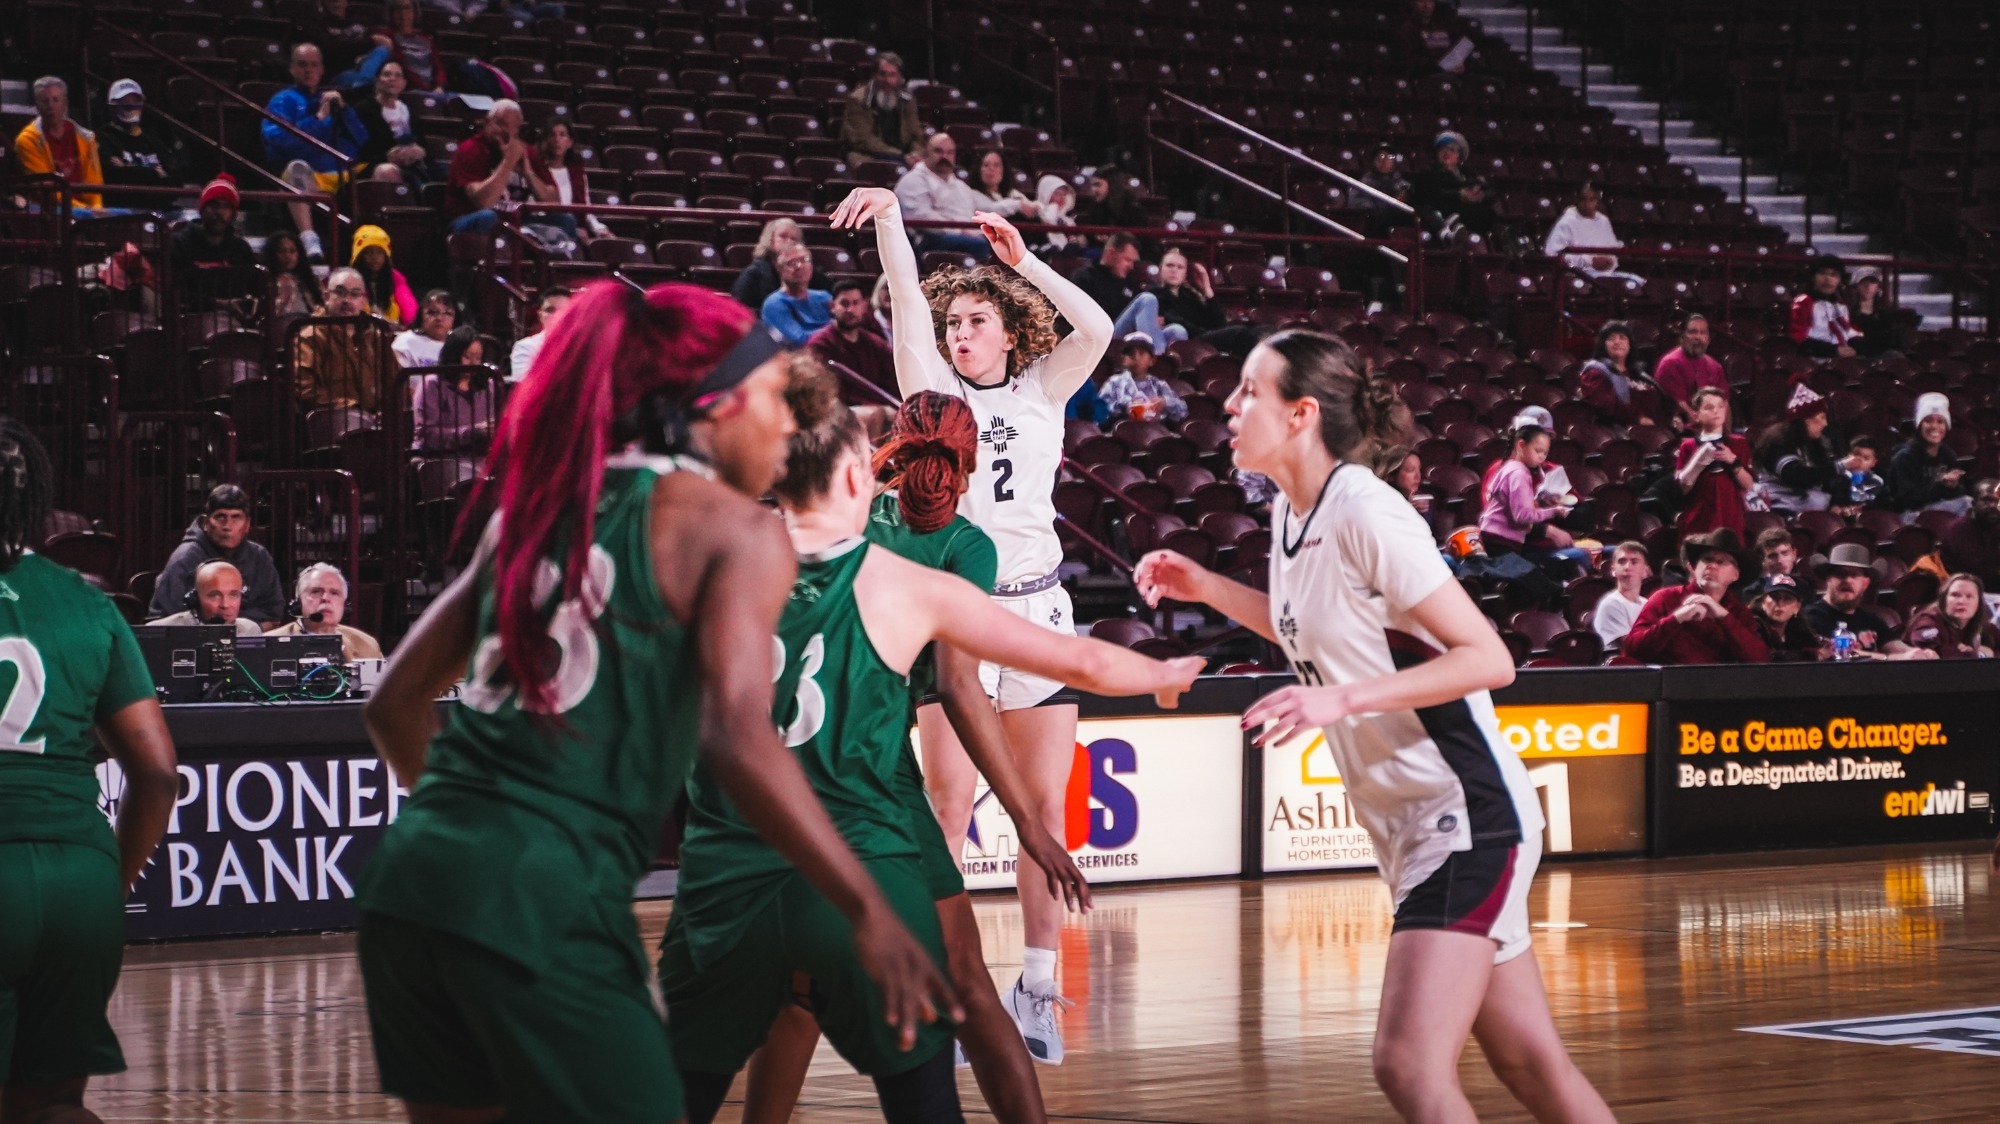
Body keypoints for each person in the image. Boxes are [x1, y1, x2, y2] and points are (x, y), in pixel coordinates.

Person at [354, 282, 957, 1123]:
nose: (789, 427)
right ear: (719, 404)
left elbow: (392, 705)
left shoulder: (541, 506)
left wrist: (472, 841)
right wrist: (865, 905)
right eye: (776, 399)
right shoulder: (733, 528)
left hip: (412, 880)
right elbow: (737, 733)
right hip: (543, 888)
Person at [1129, 329, 1613, 1123]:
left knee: (1409, 1065)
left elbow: (1489, 658)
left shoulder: (1367, 510)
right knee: (1531, 1063)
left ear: (1301, 414)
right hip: (1414, 824)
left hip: (1466, 815)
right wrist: (1208, 587)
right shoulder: (1293, 513)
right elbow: (1318, 632)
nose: (1230, 404)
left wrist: (1341, 700)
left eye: (1250, 389)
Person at [676, 389, 1195, 1124]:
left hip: (755, 812)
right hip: (872, 784)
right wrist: (1031, 821)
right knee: (964, 991)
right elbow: (982, 681)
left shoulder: (761, 541)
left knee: (784, 1007)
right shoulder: (942, 555)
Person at [835, 186, 1115, 1065]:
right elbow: (903, 297)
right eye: (953, 322)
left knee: (1043, 810)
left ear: (1009, 332)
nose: (959, 332)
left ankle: (1036, 986)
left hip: (1040, 605)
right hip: (959, 609)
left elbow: (1098, 328)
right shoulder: (932, 389)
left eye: (976, 321)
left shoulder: (1045, 386)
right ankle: (950, 987)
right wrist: (891, 218)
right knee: (948, 807)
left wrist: (1026, 263)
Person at [0, 419, 179, 1124]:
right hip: (79, 881)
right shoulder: (85, 599)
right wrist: (113, 879)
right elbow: (158, 772)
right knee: (54, 1106)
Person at [263, 44, 364, 261]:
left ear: (321, 69)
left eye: (313, 65)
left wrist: (344, 110)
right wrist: (318, 119)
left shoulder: (331, 99)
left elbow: (360, 139)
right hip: (308, 176)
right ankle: (310, 240)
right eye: (302, 65)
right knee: (296, 168)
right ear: (292, 69)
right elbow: (280, 140)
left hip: (341, 174)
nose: (308, 70)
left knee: (385, 171)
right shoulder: (283, 100)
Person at [1622, 529, 1770, 665]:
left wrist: (1724, 617)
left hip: (1720, 683)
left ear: (1736, 575)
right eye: (1707, 559)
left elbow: (1760, 660)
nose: (1711, 566)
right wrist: (1676, 619)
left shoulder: (1739, 612)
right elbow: (1632, 649)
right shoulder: (1665, 598)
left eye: (1721, 561)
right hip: (1669, 681)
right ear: (1693, 569)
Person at [147, 485, 286, 625]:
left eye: (236, 517)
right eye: (220, 517)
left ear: (247, 524)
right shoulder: (184, 559)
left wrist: (243, 630)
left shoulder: (259, 557)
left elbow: (274, 615)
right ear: (206, 523)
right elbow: (164, 622)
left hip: (253, 635)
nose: (228, 526)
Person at [1478, 423, 1587, 577]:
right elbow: (1511, 518)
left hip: (1546, 545)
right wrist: (1547, 529)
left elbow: (1579, 511)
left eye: (1545, 450)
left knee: (1580, 560)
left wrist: (1556, 506)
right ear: (1521, 444)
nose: (1542, 456)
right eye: (1537, 448)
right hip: (1516, 546)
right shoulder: (1506, 470)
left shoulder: (1550, 470)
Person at [443, 100, 565, 237]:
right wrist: (508, 162)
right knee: (488, 217)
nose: (506, 131)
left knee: (564, 220)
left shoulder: (526, 152)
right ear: (487, 122)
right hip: (468, 220)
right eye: (501, 124)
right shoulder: (471, 149)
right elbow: (483, 203)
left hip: (515, 220)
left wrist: (528, 173)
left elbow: (554, 204)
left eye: (514, 127)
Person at [1801, 543, 1931, 659]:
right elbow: (1841, 653)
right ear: (1828, 579)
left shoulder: (1871, 620)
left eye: (1854, 575)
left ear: (1866, 583)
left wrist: (1922, 654)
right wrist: (1889, 658)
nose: (1847, 580)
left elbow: (1899, 648)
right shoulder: (1811, 617)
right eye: (1841, 574)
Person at [294, 267, 394, 412]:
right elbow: (306, 389)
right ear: (326, 296)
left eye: (354, 294)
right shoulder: (309, 337)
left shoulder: (376, 337)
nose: (346, 300)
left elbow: (397, 381)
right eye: (340, 293)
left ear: (363, 301)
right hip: (334, 420)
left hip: (378, 420)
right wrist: (354, 410)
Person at [169, 174, 260, 311]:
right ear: (202, 209)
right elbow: (175, 292)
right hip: (192, 318)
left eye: (226, 207)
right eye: (214, 205)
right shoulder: (179, 243)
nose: (219, 212)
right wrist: (219, 304)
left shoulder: (241, 248)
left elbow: (255, 287)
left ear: (233, 214)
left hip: (236, 319)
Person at [13, 77, 104, 210]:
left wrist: (96, 209)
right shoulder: (28, 140)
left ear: (65, 104)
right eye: (45, 101)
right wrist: (83, 209)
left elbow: (95, 184)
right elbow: (45, 190)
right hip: (48, 210)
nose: (50, 106)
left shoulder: (86, 138)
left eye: (56, 100)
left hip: (86, 211)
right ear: (37, 106)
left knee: (127, 214)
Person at [895, 133, 991, 260]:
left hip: (963, 235)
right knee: (979, 244)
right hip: (928, 240)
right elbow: (922, 218)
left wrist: (1015, 204)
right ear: (926, 153)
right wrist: (960, 231)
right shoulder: (913, 180)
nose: (945, 157)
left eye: (950, 153)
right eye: (938, 151)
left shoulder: (959, 185)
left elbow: (985, 206)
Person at [1752, 381, 1841, 514]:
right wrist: (1840, 467)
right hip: (1778, 505)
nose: (1825, 424)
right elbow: (1796, 476)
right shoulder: (1780, 443)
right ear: (1806, 421)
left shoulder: (1814, 443)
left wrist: (1835, 504)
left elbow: (1824, 478)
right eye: (1821, 418)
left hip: (1806, 505)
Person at [1673, 387, 1753, 535]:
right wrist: (1697, 462)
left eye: (1720, 406)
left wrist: (1733, 462)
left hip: (1730, 512)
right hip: (1700, 513)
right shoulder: (1688, 446)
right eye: (1709, 408)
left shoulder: (1738, 443)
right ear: (1696, 415)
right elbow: (1682, 488)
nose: (1716, 411)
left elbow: (1749, 485)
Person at [267, 562, 384, 659]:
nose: (326, 598)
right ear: (298, 603)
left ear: (345, 605)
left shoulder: (367, 645)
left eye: (334, 593)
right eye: (316, 592)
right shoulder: (269, 644)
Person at [412, 326, 500, 453]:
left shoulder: (489, 385)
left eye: (478, 358)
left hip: (478, 456)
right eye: (467, 356)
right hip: (436, 457)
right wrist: (472, 432)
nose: (473, 363)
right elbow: (427, 436)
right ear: (453, 355)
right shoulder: (432, 385)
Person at [809, 279, 898, 401]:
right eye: (844, 303)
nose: (850, 309)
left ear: (864, 306)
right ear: (832, 306)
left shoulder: (877, 345)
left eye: (856, 303)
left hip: (880, 407)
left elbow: (892, 385)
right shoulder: (820, 345)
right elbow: (823, 392)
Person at [1544, 183, 1644, 286]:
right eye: (1583, 199)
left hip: (1606, 274)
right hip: (1579, 275)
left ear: (1597, 201)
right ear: (1577, 200)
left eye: (1591, 199)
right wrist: (1590, 261)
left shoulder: (1603, 221)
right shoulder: (1567, 222)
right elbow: (1552, 254)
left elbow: (1613, 250)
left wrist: (1609, 262)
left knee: (1637, 282)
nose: (1587, 203)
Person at [96, 79, 190, 188]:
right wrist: (155, 173)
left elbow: (175, 178)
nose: (130, 105)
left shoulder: (154, 140)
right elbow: (113, 176)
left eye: (136, 100)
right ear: (111, 105)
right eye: (123, 101)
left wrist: (128, 168)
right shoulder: (102, 138)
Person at [1887, 393, 1969, 515]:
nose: (1934, 426)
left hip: (1939, 509)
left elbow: (1956, 494)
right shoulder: (1905, 457)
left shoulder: (1947, 454)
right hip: (1910, 515)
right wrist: (1940, 485)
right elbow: (1909, 502)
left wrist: (1953, 486)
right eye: (1928, 421)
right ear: (1919, 425)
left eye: (1940, 421)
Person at [350, 60, 429, 186]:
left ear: (404, 83)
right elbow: (362, 152)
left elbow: (423, 145)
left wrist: (420, 151)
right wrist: (387, 157)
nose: (392, 79)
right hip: (375, 166)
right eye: (387, 75)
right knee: (388, 171)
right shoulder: (363, 109)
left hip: (412, 166)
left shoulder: (409, 110)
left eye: (398, 76)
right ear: (377, 80)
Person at [841, 52, 924, 168]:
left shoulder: (907, 101)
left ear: (900, 78)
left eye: (893, 75)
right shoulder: (858, 100)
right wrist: (900, 156)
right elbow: (862, 139)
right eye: (883, 74)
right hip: (867, 155)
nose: (888, 80)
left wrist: (916, 154)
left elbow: (916, 136)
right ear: (874, 75)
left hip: (903, 156)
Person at [143, 560, 267, 636]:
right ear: (195, 599)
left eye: (233, 595)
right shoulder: (159, 632)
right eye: (214, 596)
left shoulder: (249, 631)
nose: (225, 604)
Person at [1409, 131, 1494, 241]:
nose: (1447, 152)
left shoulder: (1470, 175)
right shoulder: (1427, 175)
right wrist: (1458, 194)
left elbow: (1490, 192)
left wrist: (1481, 195)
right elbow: (1429, 195)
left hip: (1470, 216)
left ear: (1459, 156)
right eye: (1442, 149)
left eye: (1452, 150)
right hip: (1445, 213)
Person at [1577, 320, 1662, 428]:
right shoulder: (1594, 372)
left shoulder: (1638, 372)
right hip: (1618, 430)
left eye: (1622, 338)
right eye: (1611, 338)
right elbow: (1606, 404)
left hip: (1653, 427)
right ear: (1603, 345)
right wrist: (1639, 418)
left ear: (1630, 344)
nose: (1617, 342)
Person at [537, 120, 611, 240]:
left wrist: (598, 228)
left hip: (575, 230)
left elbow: (586, 209)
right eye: (552, 135)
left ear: (570, 142)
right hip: (547, 229)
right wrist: (571, 229)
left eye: (562, 135)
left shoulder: (577, 173)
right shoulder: (537, 172)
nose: (557, 140)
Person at [1651, 313, 1728, 425]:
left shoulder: (1715, 366)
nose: (1698, 337)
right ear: (1682, 338)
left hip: (1712, 425)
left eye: (1703, 332)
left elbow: (1724, 402)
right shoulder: (1670, 364)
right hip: (1682, 427)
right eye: (1692, 332)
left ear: (1708, 339)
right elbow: (1679, 406)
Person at [1902, 573, 2000, 659]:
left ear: (1979, 603)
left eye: (1969, 596)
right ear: (1943, 599)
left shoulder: (1982, 625)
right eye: (1955, 595)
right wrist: (1978, 655)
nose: (1962, 601)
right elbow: (1937, 653)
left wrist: (1992, 654)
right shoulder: (1927, 621)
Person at [1099, 333, 1188, 424]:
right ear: (1123, 360)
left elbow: (1183, 411)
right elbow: (1099, 411)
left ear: (1152, 360)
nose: (1136, 358)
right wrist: (1124, 407)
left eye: (1141, 353)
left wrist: (1165, 402)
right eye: (1130, 354)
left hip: (1154, 429)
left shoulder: (1159, 385)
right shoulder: (1114, 383)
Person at [760, 245, 834, 347]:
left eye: (805, 260)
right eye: (791, 263)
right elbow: (800, 341)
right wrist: (839, 328)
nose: (799, 266)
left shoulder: (824, 297)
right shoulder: (774, 303)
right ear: (779, 269)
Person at [1146, 248, 1226, 341]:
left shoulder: (1189, 296)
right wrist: (1209, 334)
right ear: (1160, 270)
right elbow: (1176, 321)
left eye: (1180, 267)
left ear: (1185, 274)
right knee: (1239, 332)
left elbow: (1220, 325)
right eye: (1169, 265)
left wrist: (1207, 289)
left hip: (1202, 340)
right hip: (1188, 340)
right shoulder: (1153, 294)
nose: (1174, 270)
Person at [1789, 256, 1859, 359]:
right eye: (1822, 273)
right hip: (1812, 359)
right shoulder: (1803, 302)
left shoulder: (1841, 305)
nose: (1827, 279)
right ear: (1813, 277)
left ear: (1840, 280)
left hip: (1842, 359)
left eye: (1833, 275)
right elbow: (1798, 338)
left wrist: (1856, 347)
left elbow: (1850, 332)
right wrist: (1832, 350)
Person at [731, 217, 804, 311]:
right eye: (783, 236)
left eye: (794, 239)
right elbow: (738, 310)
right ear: (770, 240)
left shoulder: (808, 274)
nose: (789, 241)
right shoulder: (753, 274)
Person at [1745, 573, 1822, 661]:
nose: (1780, 604)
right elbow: (1764, 656)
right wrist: (1811, 656)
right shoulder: (1752, 625)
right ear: (1763, 602)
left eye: (1787, 598)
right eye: (1775, 597)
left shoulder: (1799, 630)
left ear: (1797, 607)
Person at [350, 224, 416, 325]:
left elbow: (410, 312)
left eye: (379, 253)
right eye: (369, 252)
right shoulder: (350, 279)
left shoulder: (395, 278)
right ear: (359, 256)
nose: (374, 257)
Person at [1593, 541, 1652, 648]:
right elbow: (1629, 646)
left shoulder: (1647, 604)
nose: (1627, 567)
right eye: (1622, 562)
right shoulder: (1611, 603)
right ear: (1613, 570)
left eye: (1634, 562)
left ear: (1645, 571)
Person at [1943, 478, 2000, 586]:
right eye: (1987, 500)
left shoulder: (1996, 526)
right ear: (1974, 503)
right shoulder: (1959, 529)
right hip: (1965, 589)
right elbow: (1977, 573)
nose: (1994, 506)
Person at [373, 0, 440, 92]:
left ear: (414, 12)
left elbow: (438, 67)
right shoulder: (387, 36)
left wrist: (439, 85)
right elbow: (403, 69)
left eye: (407, 8)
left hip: (432, 90)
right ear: (391, 13)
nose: (403, 14)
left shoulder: (426, 40)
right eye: (398, 9)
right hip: (409, 89)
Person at [508, 285, 570, 380]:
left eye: (563, 310)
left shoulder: (586, 345)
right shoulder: (525, 347)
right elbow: (524, 383)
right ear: (540, 315)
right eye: (550, 310)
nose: (557, 315)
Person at [1396, 0, 1473, 72]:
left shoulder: (1442, 25)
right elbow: (1412, 60)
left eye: (1430, 1)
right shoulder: (1408, 29)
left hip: (1450, 70)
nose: (1426, 6)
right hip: (1428, 73)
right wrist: (1441, 66)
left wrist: (1459, 64)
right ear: (1412, 4)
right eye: (1421, 1)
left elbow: (1453, 49)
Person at [263, 229, 324, 316]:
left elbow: (321, 309)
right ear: (272, 254)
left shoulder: (313, 280)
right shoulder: (266, 281)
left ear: (299, 254)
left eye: (292, 251)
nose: (287, 256)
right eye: (282, 251)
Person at [1357, 144, 1413, 237]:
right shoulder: (1364, 184)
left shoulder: (1402, 184)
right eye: (1380, 157)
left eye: (1390, 158)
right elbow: (1361, 206)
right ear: (1373, 161)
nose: (1385, 162)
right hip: (1373, 226)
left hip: (1396, 223)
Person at [1847, 266, 1903, 358]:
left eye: (1872, 282)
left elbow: (1895, 342)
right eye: (1863, 282)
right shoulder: (1848, 314)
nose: (1868, 286)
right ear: (1856, 287)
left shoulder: (1885, 315)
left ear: (1878, 288)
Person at [392, 289, 456, 368]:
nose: (439, 318)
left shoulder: (459, 345)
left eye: (447, 313)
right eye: (432, 312)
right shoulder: (406, 341)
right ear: (421, 315)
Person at [972, 150, 1039, 219]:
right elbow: (989, 209)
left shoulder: (1013, 193)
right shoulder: (972, 194)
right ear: (979, 170)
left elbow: (1031, 206)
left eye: (996, 165)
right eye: (986, 165)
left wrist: (1037, 207)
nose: (991, 169)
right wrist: (1016, 205)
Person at [1030, 175, 1077, 251]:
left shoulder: (1067, 221)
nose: (1062, 198)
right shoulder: (1034, 214)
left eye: (1064, 194)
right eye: (1057, 194)